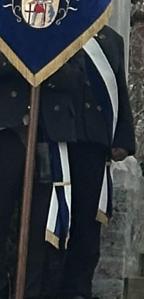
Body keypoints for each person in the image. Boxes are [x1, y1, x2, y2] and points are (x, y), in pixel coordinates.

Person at [0, 25, 135, 299]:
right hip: (26, 131)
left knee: (74, 224)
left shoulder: (110, 38)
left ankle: (72, 290)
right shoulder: (22, 24)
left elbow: (110, 86)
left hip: (83, 137)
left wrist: (124, 137)